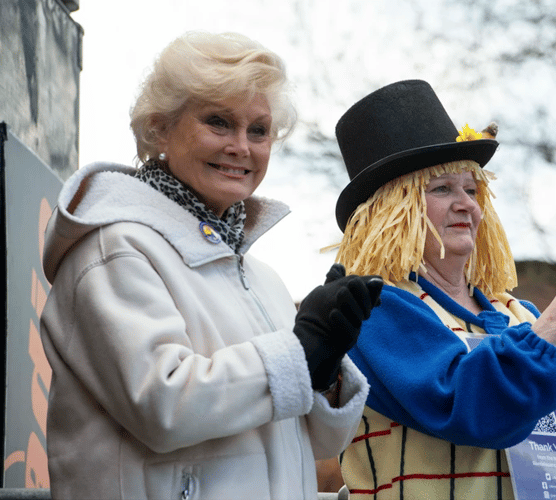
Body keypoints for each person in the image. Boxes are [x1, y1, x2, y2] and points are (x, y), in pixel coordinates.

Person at [39, 31, 382, 500]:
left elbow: (320, 443)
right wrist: (300, 351)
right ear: (159, 129)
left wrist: (323, 373)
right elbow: (163, 406)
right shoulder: (115, 249)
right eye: (219, 122)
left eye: (258, 130)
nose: (242, 146)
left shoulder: (264, 278)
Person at [331, 80, 556, 499]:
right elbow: (471, 406)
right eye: (442, 188)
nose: (467, 204)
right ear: (389, 209)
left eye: (471, 190)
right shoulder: (371, 310)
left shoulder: (519, 315)